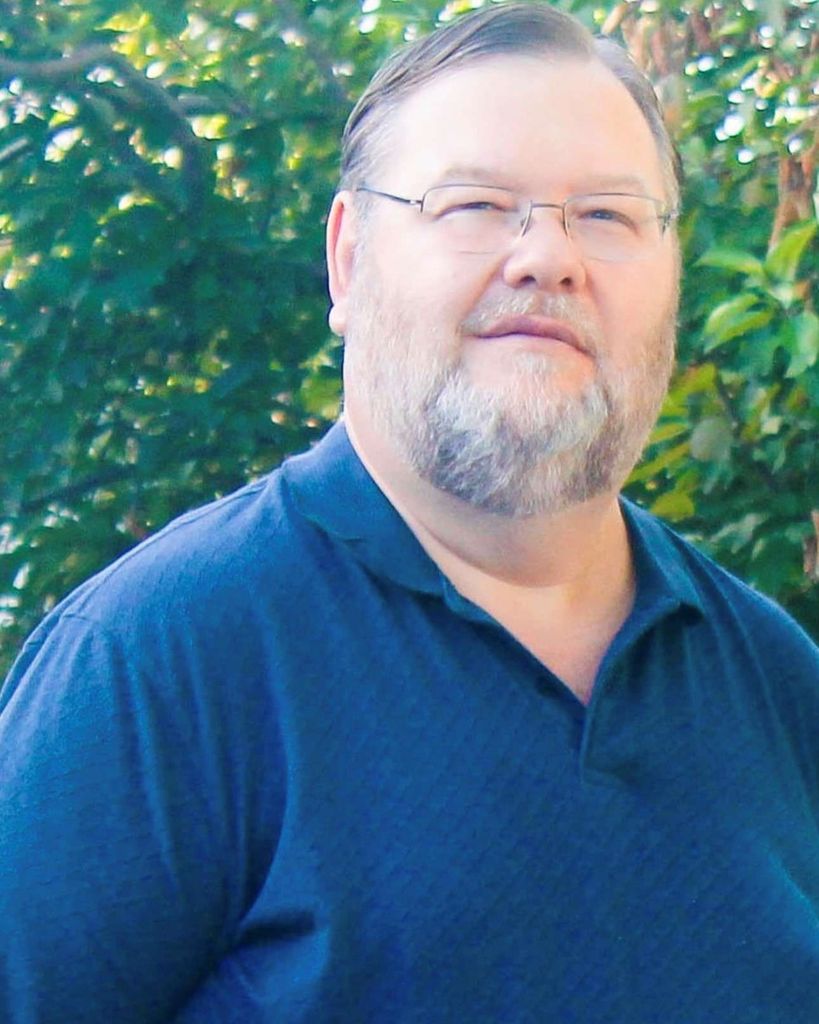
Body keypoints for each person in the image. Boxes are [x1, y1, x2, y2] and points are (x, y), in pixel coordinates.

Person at [1, 3, 818, 1021]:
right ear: (349, 260)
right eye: (475, 203)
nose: (547, 256)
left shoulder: (779, 685)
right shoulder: (153, 666)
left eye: (607, 216)